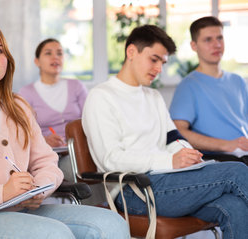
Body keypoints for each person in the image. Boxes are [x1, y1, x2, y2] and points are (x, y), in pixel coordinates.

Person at [0, 23, 129, 239]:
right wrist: (1, 193)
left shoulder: (19, 106)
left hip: (23, 209)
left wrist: (38, 189)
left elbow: (46, 162)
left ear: (7, 59)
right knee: (54, 235)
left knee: (112, 224)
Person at [82, 25, 248, 239]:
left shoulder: (153, 97)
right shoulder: (101, 97)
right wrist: (169, 161)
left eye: (163, 62)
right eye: (154, 59)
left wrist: (187, 153)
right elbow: (111, 159)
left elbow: (174, 138)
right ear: (131, 52)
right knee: (236, 172)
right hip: (134, 191)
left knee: (234, 206)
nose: (159, 68)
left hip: (170, 182)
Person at [169, 16, 248, 159]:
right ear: (194, 46)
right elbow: (178, 132)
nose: (216, 45)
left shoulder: (238, 81)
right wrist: (227, 145)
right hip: (223, 159)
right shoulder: (188, 86)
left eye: (219, 38)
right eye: (208, 40)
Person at [19, 38, 87, 147]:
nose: (55, 57)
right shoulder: (26, 93)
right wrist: (44, 139)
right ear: (37, 61)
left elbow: (90, 120)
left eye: (59, 53)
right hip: (47, 151)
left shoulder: (76, 86)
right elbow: (22, 131)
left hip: (79, 148)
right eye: (48, 53)